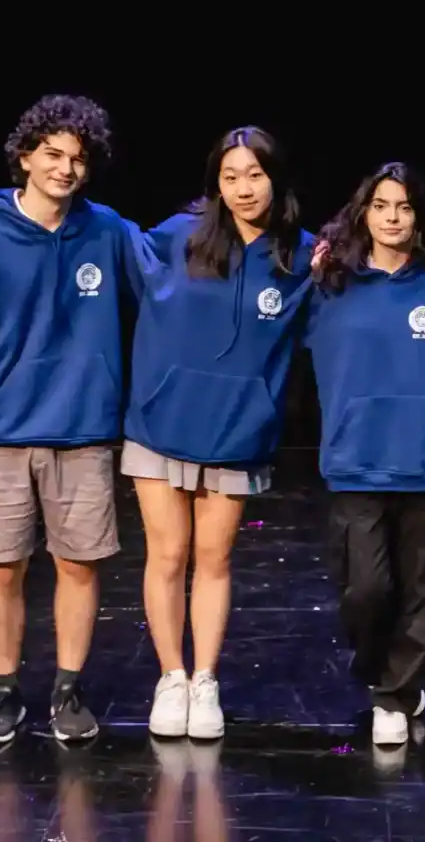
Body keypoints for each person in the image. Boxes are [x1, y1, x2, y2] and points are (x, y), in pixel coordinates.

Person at [0, 94, 144, 745]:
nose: (66, 168)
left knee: (79, 565)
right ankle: (4, 692)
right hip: (1, 438)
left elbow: (173, 280)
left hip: (82, 436)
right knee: (2, 569)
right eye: (53, 154)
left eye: (78, 159)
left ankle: (66, 688)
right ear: (24, 157)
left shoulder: (107, 230)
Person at [122, 125, 314, 740]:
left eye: (254, 175)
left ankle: (205, 678)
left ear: (274, 177)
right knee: (167, 554)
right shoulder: (177, 238)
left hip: (238, 429)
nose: (242, 188)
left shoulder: (303, 255)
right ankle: (171, 676)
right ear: (215, 184)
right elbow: (105, 244)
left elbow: (379, 256)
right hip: (160, 423)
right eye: (229, 177)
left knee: (213, 557)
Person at [306, 162, 425, 746]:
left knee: (424, 588)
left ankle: (396, 695)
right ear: (363, 212)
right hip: (356, 460)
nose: (392, 217)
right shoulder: (329, 280)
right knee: (367, 590)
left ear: (419, 215)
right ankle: (379, 670)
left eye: (404, 207)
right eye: (381, 206)